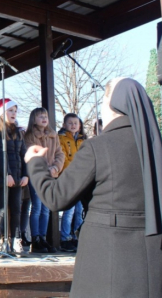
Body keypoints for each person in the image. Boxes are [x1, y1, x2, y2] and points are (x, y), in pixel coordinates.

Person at [25, 78, 162, 298]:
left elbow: (56, 198)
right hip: (152, 262)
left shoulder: (98, 147)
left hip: (107, 260)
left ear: (111, 104)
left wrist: (35, 164)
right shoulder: (155, 147)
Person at [0, 98, 28, 253]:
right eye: (10, 110)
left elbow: (23, 154)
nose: (14, 113)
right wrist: (7, 174)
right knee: (1, 210)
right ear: (2, 113)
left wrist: (26, 174)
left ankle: (16, 240)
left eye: (15, 111)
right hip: (1, 177)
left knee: (16, 209)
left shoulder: (19, 132)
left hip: (18, 177)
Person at [24, 107, 64, 253]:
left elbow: (60, 154)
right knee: (37, 208)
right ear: (33, 119)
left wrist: (55, 168)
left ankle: (43, 237)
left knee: (46, 208)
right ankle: (35, 239)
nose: (44, 118)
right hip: (37, 176)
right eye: (40, 116)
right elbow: (31, 154)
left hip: (51, 175)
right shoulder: (29, 135)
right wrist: (42, 168)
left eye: (45, 116)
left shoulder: (54, 135)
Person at [58, 113, 86, 252]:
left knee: (80, 210)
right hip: (69, 177)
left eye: (76, 123)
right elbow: (63, 157)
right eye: (70, 123)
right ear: (64, 125)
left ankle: (77, 235)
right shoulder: (61, 139)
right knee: (69, 210)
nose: (73, 125)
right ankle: (65, 237)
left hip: (82, 178)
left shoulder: (83, 140)